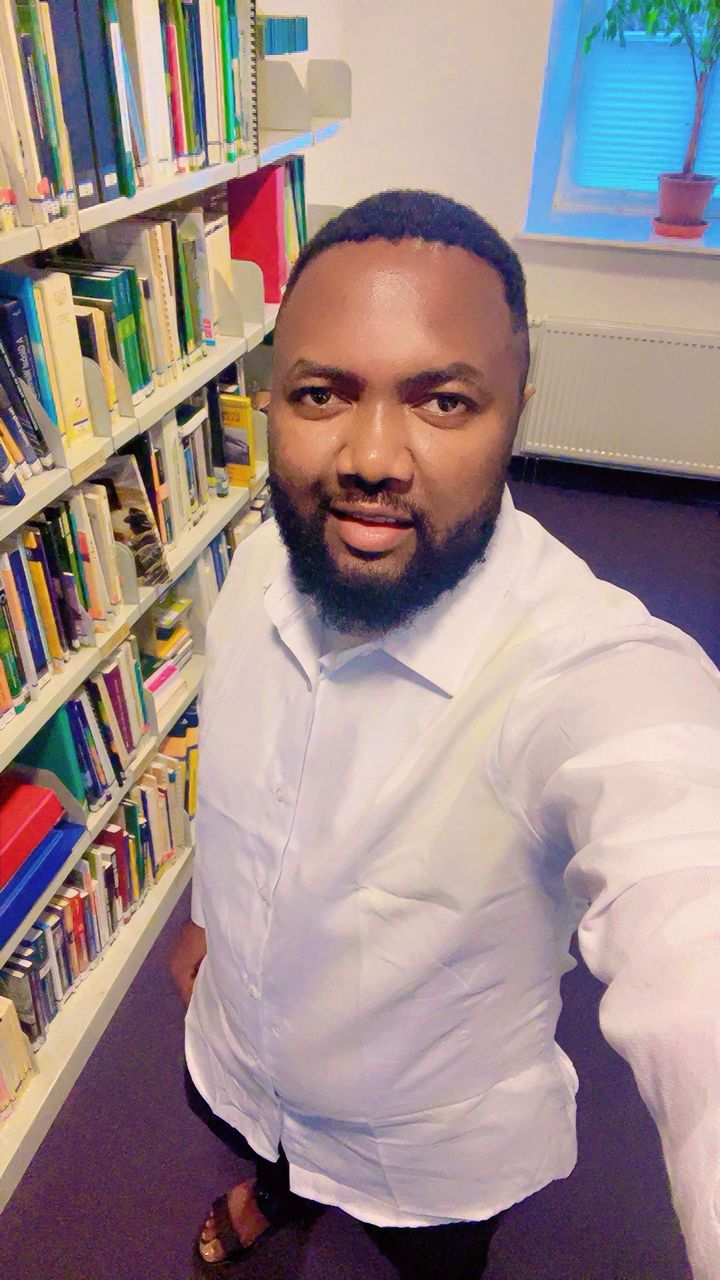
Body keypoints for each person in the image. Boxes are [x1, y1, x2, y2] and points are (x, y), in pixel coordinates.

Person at [171, 189, 720, 1280]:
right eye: (322, 393)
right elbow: (234, 787)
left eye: (444, 401)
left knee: (435, 1263)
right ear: (269, 400)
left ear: (516, 411)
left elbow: (686, 887)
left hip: (421, 1156)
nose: (371, 456)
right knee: (262, 1150)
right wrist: (208, 922)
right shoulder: (258, 562)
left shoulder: (588, 669)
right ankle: (280, 1183)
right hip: (234, 1055)